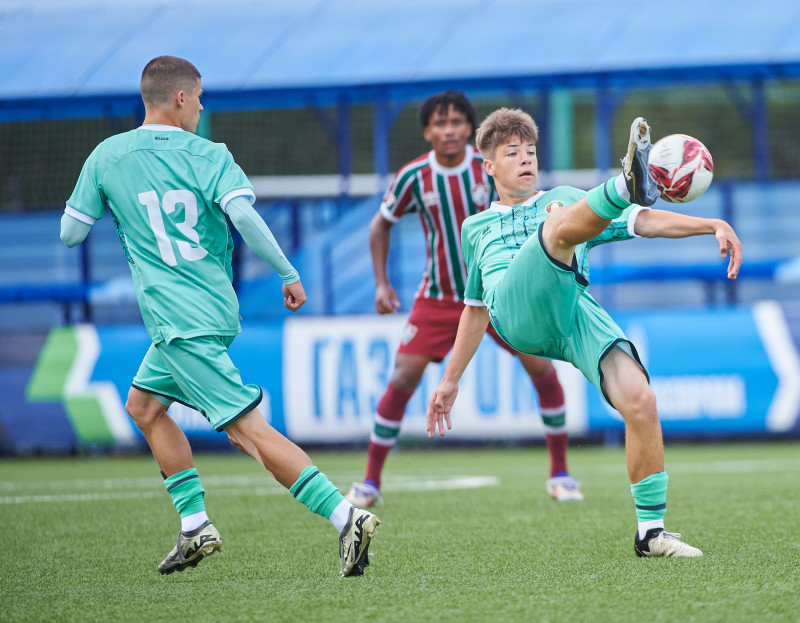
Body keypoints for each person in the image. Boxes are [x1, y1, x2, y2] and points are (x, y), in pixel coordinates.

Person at [60, 56, 380, 577]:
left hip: (176, 320)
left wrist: (119, 213)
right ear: (182, 98)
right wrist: (287, 272)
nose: (203, 105)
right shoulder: (211, 155)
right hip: (209, 310)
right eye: (200, 96)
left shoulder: (106, 156)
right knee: (143, 407)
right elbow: (244, 216)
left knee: (246, 432)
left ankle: (347, 516)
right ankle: (194, 526)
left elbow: (71, 234)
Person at [427, 108, 742, 557]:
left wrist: (710, 224)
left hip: (570, 306)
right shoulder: (475, 228)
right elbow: (475, 310)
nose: (525, 159)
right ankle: (626, 183)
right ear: (489, 167)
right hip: (515, 314)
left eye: (531, 151)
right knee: (557, 227)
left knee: (640, 399)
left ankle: (650, 533)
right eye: (512, 152)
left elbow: (643, 222)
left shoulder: (563, 197)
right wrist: (449, 379)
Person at [345, 90, 581, 509]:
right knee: (402, 378)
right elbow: (380, 225)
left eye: (456, 122)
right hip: (438, 296)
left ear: (469, 131)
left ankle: (561, 474)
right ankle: (369, 482)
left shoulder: (491, 168)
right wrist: (381, 284)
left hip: (498, 289)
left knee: (542, 370)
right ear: (427, 131)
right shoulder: (414, 177)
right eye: (440, 123)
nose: (449, 130)